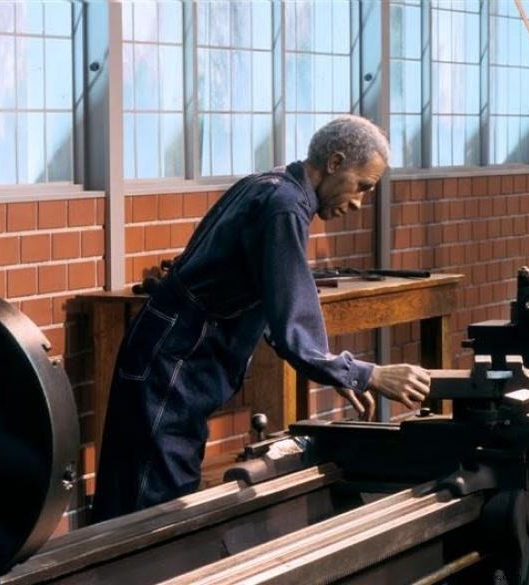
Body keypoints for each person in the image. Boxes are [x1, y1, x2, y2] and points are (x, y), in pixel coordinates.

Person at [91, 115, 431, 523]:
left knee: (136, 491)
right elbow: (293, 327)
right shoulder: (284, 207)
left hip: (169, 349)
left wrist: (336, 373)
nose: (359, 203)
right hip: (175, 360)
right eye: (363, 186)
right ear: (336, 162)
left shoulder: (271, 184)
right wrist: (367, 374)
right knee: (151, 508)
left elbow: (275, 306)